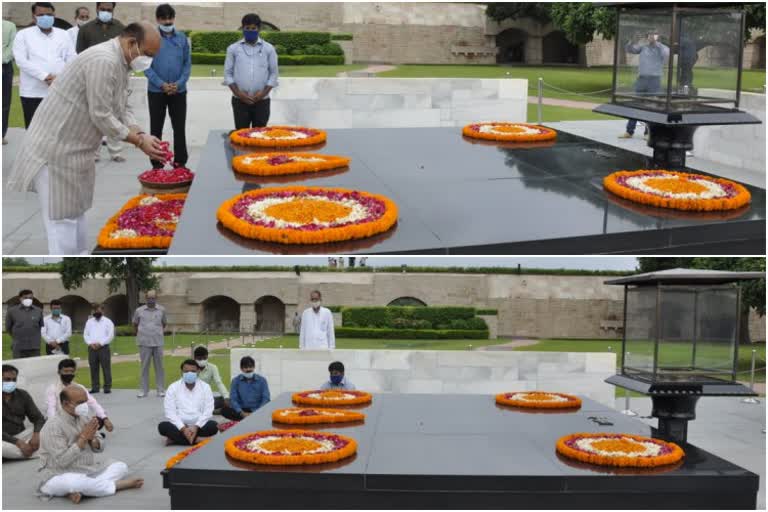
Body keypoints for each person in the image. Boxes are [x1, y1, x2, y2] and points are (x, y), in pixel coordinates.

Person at [6, 22, 166, 255]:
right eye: (148, 54)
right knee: (62, 224)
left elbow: (121, 106)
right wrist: (138, 142)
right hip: (56, 151)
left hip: (76, 151)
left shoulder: (121, 63)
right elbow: (101, 114)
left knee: (76, 216)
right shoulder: (103, 60)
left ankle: (80, 260)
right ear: (132, 43)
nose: (148, 61)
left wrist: (140, 133)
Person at [37, 386, 143, 503]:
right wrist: (83, 438)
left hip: (87, 471)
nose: (84, 406)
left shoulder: (83, 417)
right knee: (73, 482)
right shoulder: (53, 425)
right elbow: (62, 461)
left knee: (121, 466)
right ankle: (116, 485)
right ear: (66, 404)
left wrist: (92, 439)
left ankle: (80, 491)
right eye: (80, 403)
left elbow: (100, 447)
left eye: (85, 402)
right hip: (58, 475)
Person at [76, 1, 126, 163]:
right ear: (97, 8)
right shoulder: (86, 29)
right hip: (93, 77)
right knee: (94, 114)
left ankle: (116, 152)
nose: (105, 12)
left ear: (113, 10)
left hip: (115, 76)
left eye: (109, 10)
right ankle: (94, 153)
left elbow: (125, 51)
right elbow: (80, 53)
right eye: (102, 9)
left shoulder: (121, 28)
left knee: (116, 113)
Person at [13, 2, 76, 128]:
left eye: (49, 14)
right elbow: (21, 61)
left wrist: (60, 78)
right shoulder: (23, 35)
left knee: (58, 129)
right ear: (33, 17)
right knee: (33, 129)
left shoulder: (63, 34)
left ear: (54, 15)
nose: (45, 17)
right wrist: (45, 76)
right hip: (32, 92)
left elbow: (71, 58)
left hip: (59, 90)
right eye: (41, 14)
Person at [144, 3, 190, 169]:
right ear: (157, 19)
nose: (167, 21)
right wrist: (161, 84)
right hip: (156, 91)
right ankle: (157, 163)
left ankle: (180, 162)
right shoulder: (150, 38)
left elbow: (187, 65)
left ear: (174, 18)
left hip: (179, 91)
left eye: (170, 18)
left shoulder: (182, 38)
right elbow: (145, 66)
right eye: (163, 18)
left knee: (179, 128)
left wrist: (178, 84)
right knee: (156, 128)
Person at [224, 13, 278, 129]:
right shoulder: (233, 49)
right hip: (240, 101)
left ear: (259, 29)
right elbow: (228, 74)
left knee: (260, 137)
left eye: (253, 28)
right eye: (247, 28)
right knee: (242, 137)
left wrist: (263, 93)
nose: (250, 31)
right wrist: (239, 94)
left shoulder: (269, 49)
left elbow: (273, 74)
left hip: (262, 101)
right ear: (242, 28)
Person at [619, 29, 669, 139]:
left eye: (654, 35)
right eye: (649, 35)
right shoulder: (643, 47)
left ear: (658, 37)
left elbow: (666, 54)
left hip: (654, 81)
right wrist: (633, 40)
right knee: (635, 105)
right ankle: (629, 131)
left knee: (651, 106)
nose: (651, 37)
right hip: (642, 79)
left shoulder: (662, 48)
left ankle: (648, 132)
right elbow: (630, 49)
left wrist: (656, 44)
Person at [158, 360, 218, 446]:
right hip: (180, 425)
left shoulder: (205, 387)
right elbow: (170, 412)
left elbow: (208, 410)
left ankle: (176, 439)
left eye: (193, 371)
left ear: (198, 372)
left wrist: (196, 426)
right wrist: (183, 428)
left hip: (198, 425)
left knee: (213, 426)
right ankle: (198, 440)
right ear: (181, 372)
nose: (189, 373)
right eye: (186, 371)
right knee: (162, 427)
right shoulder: (173, 387)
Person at [45, 359, 113, 433]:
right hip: (61, 421)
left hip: (78, 419)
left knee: (98, 420)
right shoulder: (53, 389)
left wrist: (105, 418)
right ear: (59, 372)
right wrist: (53, 426)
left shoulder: (80, 387)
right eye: (66, 371)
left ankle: (85, 433)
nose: (69, 374)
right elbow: (51, 409)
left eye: (71, 371)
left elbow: (93, 403)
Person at [2, 364, 46, 460]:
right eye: (7, 379)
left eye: (14, 380)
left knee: (49, 426)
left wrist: (36, 434)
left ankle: (14, 455)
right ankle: (34, 452)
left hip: (22, 436)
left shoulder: (22, 395)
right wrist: (18, 442)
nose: (11, 382)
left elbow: (38, 418)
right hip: (4, 440)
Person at [133, 290, 167, 398]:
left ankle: (161, 390)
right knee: (144, 367)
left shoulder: (162, 310)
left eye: (153, 298)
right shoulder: (139, 310)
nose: (151, 300)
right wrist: (141, 334)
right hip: (144, 342)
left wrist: (156, 332)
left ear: (156, 298)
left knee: (160, 367)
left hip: (158, 342)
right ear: (146, 298)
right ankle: (143, 390)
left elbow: (164, 323)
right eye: (149, 298)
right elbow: (135, 324)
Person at [221, 357, 270, 422]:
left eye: (250, 367)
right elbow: (233, 399)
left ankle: (247, 419)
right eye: (246, 367)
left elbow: (266, 398)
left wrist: (255, 412)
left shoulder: (262, 380)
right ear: (241, 368)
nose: (248, 369)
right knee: (225, 410)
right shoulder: (236, 381)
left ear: (254, 367)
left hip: (257, 409)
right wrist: (241, 412)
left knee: (270, 408)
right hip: (242, 410)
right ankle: (249, 419)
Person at [83, 304, 114, 394]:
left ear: (103, 311)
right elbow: (86, 334)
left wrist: (101, 343)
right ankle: (95, 387)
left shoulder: (108, 322)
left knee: (106, 367)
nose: (97, 312)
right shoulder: (89, 322)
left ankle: (107, 387)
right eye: (95, 311)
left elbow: (110, 335)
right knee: (93, 368)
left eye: (98, 310)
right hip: (92, 348)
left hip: (103, 347)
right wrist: (90, 343)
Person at [5, 289, 44, 358]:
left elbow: (40, 326)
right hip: (18, 347)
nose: (28, 299)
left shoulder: (38, 311)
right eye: (25, 298)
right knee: (19, 367)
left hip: (34, 347)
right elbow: (8, 328)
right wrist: (17, 337)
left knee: (35, 367)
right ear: (20, 298)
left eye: (30, 298)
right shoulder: (12, 311)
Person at [193, 346, 229, 414]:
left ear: (207, 357)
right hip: (192, 397)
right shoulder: (191, 367)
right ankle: (210, 410)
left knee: (225, 399)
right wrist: (196, 373)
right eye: (199, 359)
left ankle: (207, 410)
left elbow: (219, 383)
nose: (202, 360)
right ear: (195, 358)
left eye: (204, 358)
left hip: (206, 398)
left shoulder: (212, 367)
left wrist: (226, 397)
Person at [2, 18, 17, 145]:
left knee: (4, 102)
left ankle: (1, 134)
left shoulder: (9, 25)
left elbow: (12, 47)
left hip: (4, 66)